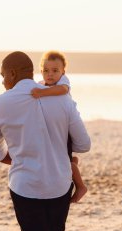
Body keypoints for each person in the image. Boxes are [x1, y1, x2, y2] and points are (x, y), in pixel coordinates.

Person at [0, 51, 91, 231]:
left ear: (12, 74)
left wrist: (20, 159)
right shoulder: (62, 97)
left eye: (3, 76)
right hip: (59, 185)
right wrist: (53, 152)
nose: (2, 82)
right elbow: (83, 145)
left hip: (25, 186)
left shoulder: (1, 103)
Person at [31, 51, 87, 203]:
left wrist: (41, 93)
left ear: (63, 71)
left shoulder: (63, 83)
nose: (50, 74)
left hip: (65, 129)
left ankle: (81, 186)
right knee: (67, 158)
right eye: (46, 71)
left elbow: (62, 90)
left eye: (55, 71)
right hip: (55, 129)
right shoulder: (41, 84)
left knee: (67, 161)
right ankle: (74, 162)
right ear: (41, 71)